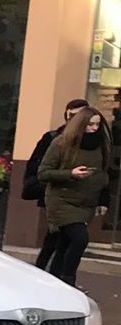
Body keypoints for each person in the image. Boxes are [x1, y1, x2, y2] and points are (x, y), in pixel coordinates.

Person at [38, 104, 116, 287]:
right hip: (62, 201)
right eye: (90, 124)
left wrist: (103, 200)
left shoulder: (102, 145)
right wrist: (70, 174)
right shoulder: (61, 143)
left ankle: (56, 281)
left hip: (86, 202)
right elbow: (43, 173)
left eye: (97, 124)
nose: (94, 128)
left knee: (64, 244)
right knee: (80, 238)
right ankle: (68, 279)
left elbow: (103, 174)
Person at [26, 97, 88, 270]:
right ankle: (46, 272)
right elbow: (38, 168)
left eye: (80, 116)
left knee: (61, 239)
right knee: (57, 237)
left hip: (76, 196)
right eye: (72, 116)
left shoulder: (89, 140)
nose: (75, 120)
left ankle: (51, 274)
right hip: (53, 194)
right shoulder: (54, 138)